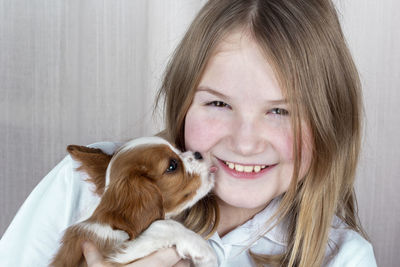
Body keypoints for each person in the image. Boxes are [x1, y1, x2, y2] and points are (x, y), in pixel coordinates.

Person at [0, 0, 378, 266]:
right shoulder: (87, 181)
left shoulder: (344, 258)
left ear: (331, 122)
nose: (245, 143)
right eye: (218, 104)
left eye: (279, 111)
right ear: (183, 103)